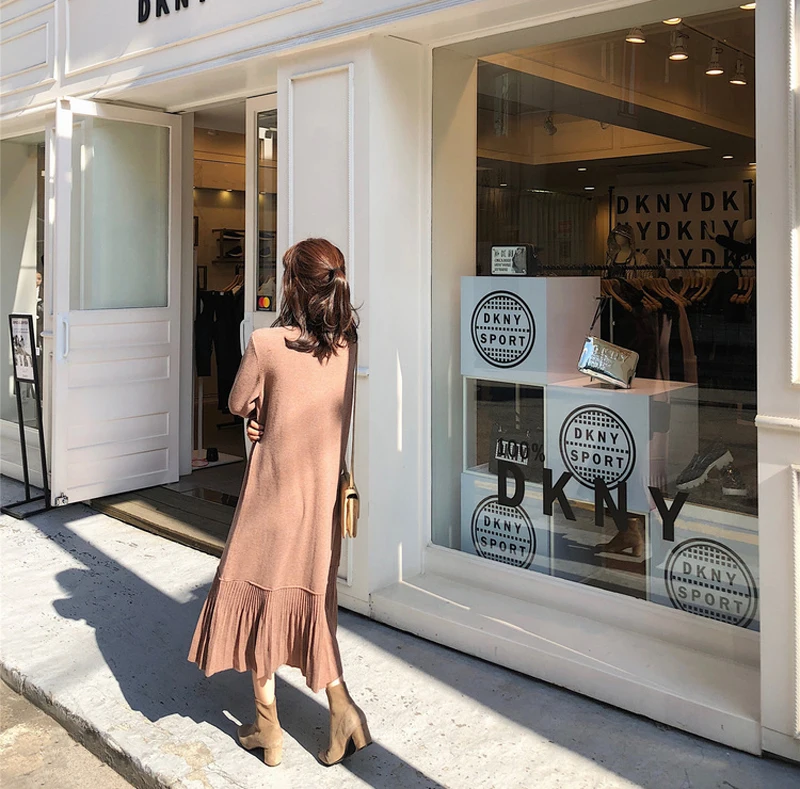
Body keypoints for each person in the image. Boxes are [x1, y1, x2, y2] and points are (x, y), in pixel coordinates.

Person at [188, 238, 369, 768]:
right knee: (309, 603)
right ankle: (342, 711)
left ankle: (268, 728)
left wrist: (257, 415)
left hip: (272, 496)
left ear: (293, 286)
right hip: (321, 500)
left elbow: (236, 400)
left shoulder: (267, 344)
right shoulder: (348, 345)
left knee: (257, 596)